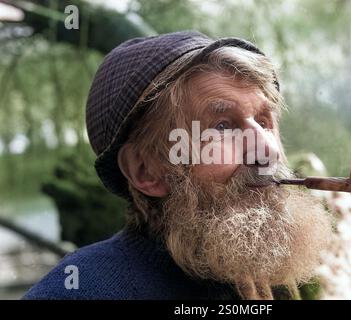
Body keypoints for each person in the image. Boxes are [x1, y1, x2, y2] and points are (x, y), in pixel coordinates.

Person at [23, 30, 332, 300]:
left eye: (264, 122)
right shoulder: (82, 290)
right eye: (222, 127)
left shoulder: (257, 274)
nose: (268, 150)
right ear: (146, 171)